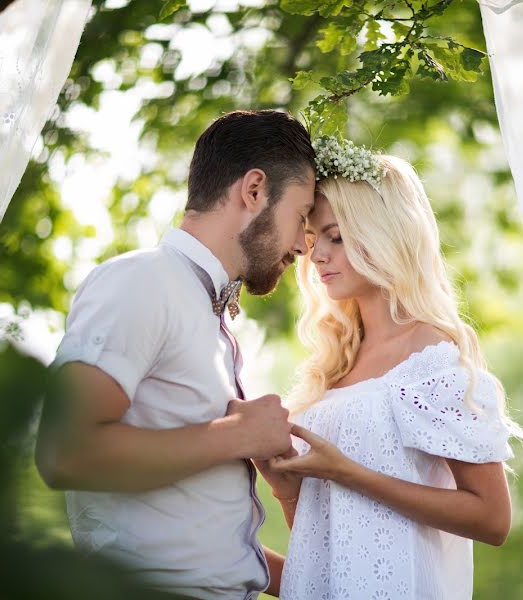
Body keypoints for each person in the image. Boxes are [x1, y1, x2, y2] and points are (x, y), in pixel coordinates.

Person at [35, 109, 316, 599]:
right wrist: (237, 435)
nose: (303, 244)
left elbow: (195, 532)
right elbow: (65, 452)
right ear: (254, 190)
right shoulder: (140, 282)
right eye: (301, 216)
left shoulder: (214, 316)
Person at [256, 139, 523, 599]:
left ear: (383, 233)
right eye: (311, 239)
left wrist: (348, 472)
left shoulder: (431, 357)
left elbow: (492, 519)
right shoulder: (333, 368)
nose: (317, 254)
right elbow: (328, 551)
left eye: (336, 236)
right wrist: (286, 493)